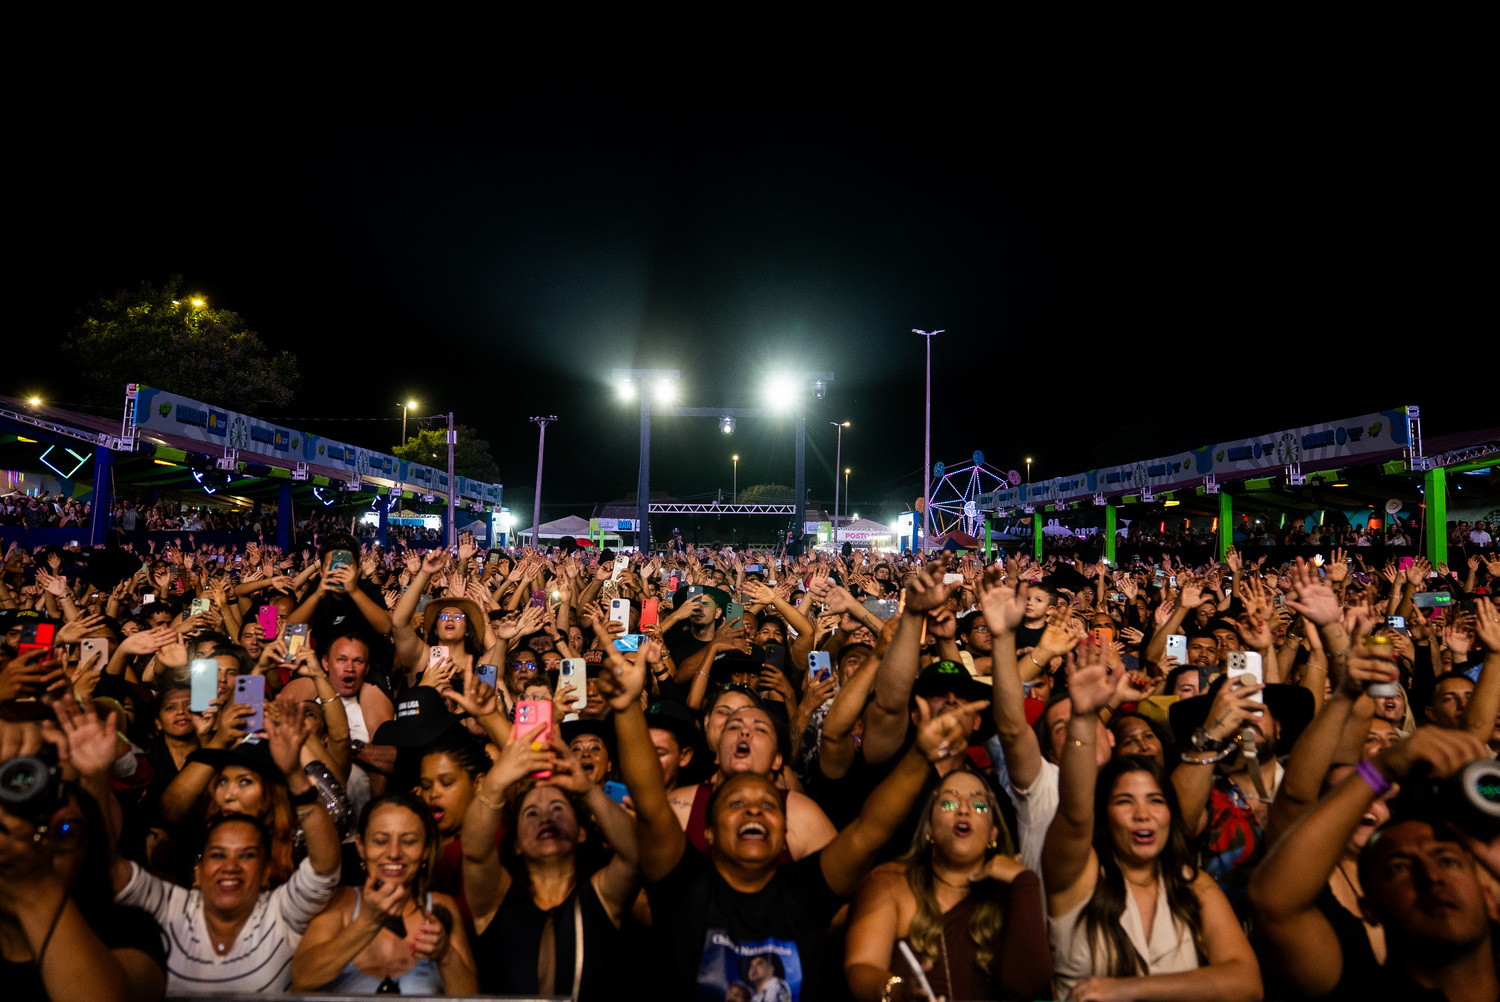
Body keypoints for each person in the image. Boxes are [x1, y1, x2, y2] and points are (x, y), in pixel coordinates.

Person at [609, 627, 988, 1001]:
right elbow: (650, 802)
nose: (755, 809)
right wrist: (626, 708)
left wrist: (921, 755)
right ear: (706, 831)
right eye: (736, 805)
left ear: (786, 825)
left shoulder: (805, 893)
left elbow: (870, 832)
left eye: (770, 805)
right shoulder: (684, 887)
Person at [1042, 638, 1262, 1001]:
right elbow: (1074, 812)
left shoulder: (1193, 886)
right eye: (1125, 801)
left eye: (1155, 800)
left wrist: (1128, 989)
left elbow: (1246, 983)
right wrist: (1083, 718)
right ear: (1104, 813)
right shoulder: (1075, 878)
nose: (1143, 814)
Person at [109, 701, 344, 994]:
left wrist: (296, 775)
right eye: (222, 781)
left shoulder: (282, 909)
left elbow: (327, 857)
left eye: (244, 782)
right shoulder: (177, 907)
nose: (228, 795)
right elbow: (113, 867)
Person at [1250, 727, 1499, 1002]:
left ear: (1489, 896)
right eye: (1399, 867)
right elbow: (1273, 900)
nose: (1430, 876)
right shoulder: (1361, 991)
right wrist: (1379, 769)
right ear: (1370, 909)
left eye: (1447, 861)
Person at [460, 678, 641, 998]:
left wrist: (586, 789)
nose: (545, 816)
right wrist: (497, 781)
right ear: (514, 841)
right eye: (530, 813)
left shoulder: (602, 896)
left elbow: (634, 854)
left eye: (558, 807)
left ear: (582, 831)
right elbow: (475, 852)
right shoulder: (496, 900)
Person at [0, 710, 167, 1002]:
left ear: (92, 846)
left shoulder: (128, 930)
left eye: (64, 832)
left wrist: (35, 884)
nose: (39, 843)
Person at [844, 770, 1052, 1001]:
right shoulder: (891, 883)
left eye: (979, 805)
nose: (964, 809)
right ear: (928, 829)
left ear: (993, 833)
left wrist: (1024, 882)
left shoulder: (1009, 895)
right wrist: (899, 991)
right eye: (948, 802)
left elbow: (1029, 987)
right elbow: (860, 968)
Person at [290, 793, 477, 994]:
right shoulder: (341, 902)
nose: (394, 852)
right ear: (361, 847)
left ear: (425, 849)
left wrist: (446, 955)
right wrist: (367, 923)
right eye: (380, 841)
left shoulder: (440, 908)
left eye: (409, 841)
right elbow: (301, 980)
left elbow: (472, 999)